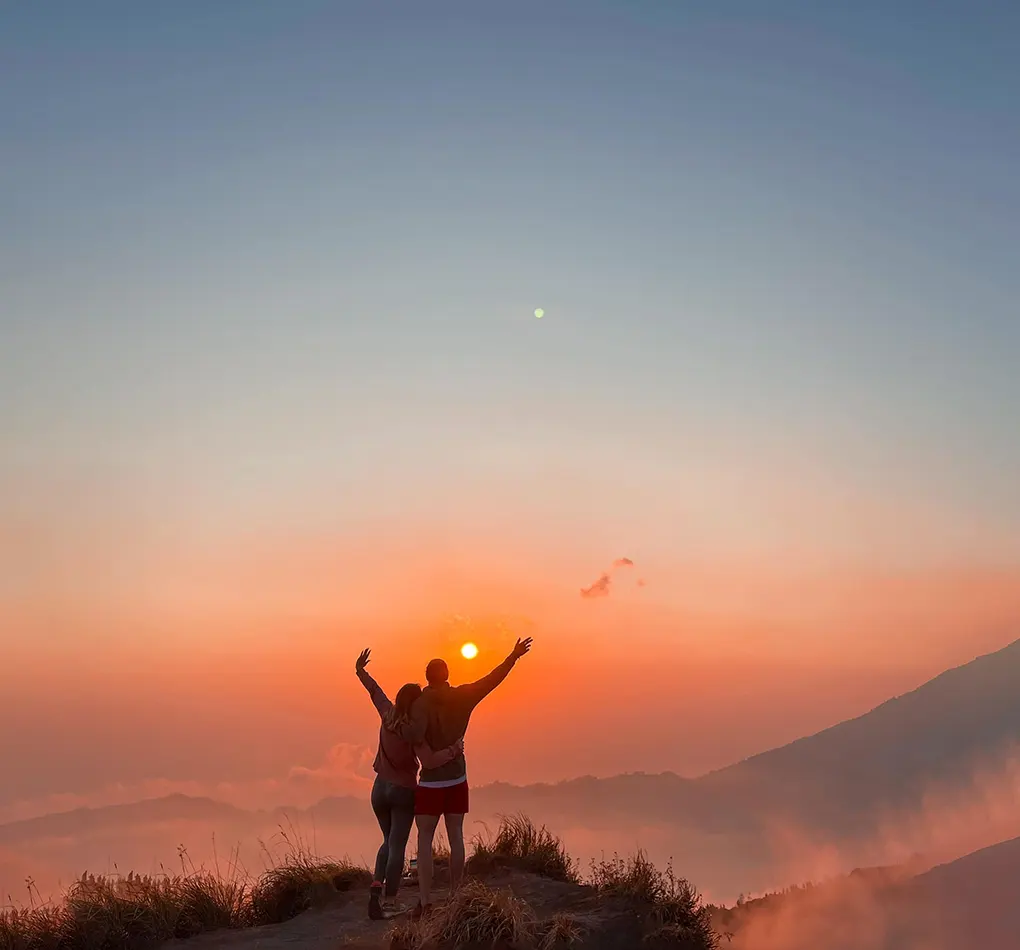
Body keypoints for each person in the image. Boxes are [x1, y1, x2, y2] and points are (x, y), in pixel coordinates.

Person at [407, 637, 533, 918]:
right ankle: (454, 898)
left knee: (424, 840)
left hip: (429, 780)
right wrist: (513, 657)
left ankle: (425, 902)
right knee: (456, 838)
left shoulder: (419, 704)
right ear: (447, 676)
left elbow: (413, 737)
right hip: (456, 778)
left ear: (426, 678)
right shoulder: (463, 696)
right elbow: (492, 680)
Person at [355, 649, 464, 920]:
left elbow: (375, 691)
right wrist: (454, 750)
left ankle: (375, 889)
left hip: (379, 789)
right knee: (397, 845)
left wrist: (361, 671)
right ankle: (390, 903)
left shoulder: (387, 714)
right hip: (403, 791)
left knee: (386, 841)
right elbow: (429, 760)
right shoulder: (414, 730)